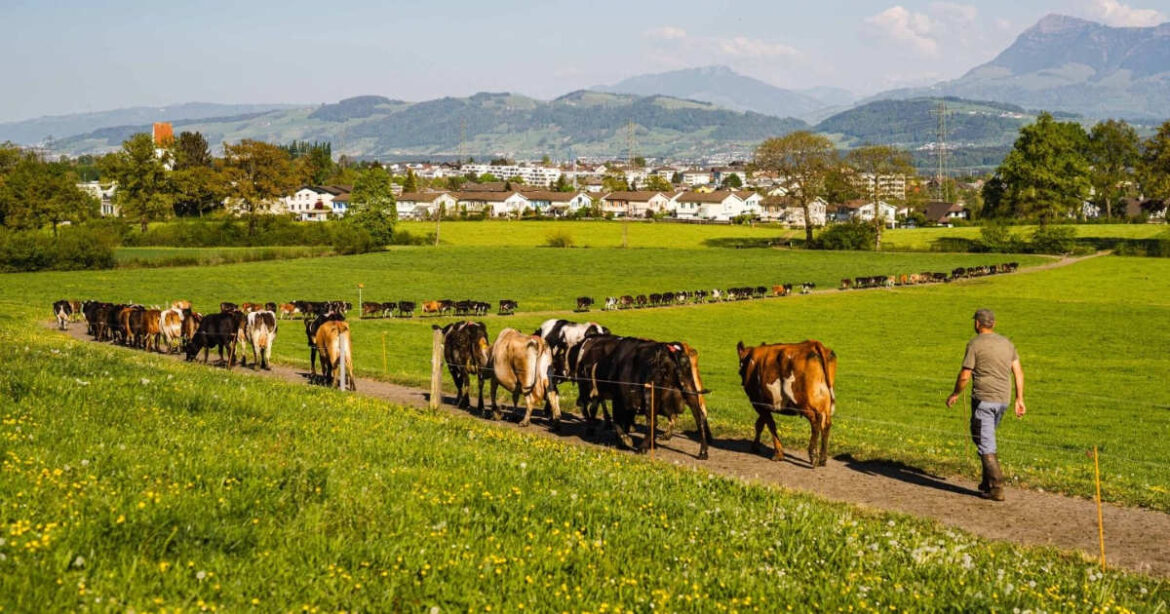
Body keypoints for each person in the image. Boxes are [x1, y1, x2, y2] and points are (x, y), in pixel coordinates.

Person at [946, 308, 1026, 501]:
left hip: (984, 400)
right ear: (994, 324)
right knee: (983, 438)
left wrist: (956, 393)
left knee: (985, 443)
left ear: (977, 324)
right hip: (1003, 401)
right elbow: (1018, 372)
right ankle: (987, 482)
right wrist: (1019, 399)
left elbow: (965, 375)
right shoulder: (1008, 344)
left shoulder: (975, 344)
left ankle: (997, 487)